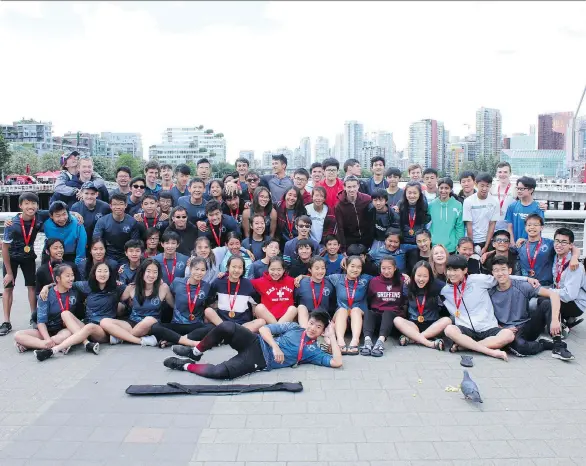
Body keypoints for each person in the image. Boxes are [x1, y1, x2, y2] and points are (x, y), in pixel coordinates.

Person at [164, 309, 343, 378]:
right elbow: (265, 329)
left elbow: (337, 362)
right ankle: (195, 352)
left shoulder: (313, 350)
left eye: (318, 327)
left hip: (260, 360)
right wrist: (275, 346)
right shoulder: (294, 327)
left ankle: (185, 366)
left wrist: (332, 336)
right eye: (311, 323)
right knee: (227, 326)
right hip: (256, 341)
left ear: (322, 331)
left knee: (220, 372)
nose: (312, 328)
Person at [441, 254, 534, 361]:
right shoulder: (445, 290)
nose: (451, 274)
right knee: (449, 330)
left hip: (487, 327)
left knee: (508, 335)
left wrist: (526, 279)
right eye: (449, 270)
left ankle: (466, 346)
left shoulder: (478, 279)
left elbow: (501, 276)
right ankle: (490, 351)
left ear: (465, 270)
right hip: (466, 329)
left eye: (455, 270)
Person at [34, 262, 129, 361]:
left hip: (103, 331)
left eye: (106, 271)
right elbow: (63, 283)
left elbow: (131, 291)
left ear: (110, 274)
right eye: (99, 271)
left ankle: (54, 350)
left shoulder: (116, 287)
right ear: (94, 273)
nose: (102, 274)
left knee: (89, 327)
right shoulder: (87, 286)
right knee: (65, 313)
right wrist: (47, 287)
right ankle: (87, 343)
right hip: (86, 327)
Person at [489, 256, 574, 360]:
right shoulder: (490, 293)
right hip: (508, 332)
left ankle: (558, 346)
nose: (500, 273)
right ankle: (543, 344)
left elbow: (554, 295)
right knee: (520, 348)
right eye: (496, 270)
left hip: (527, 327)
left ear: (510, 270)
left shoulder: (521, 286)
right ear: (492, 273)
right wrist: (500, 328)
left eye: (503, 269)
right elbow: (487, 315)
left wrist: (555, 320)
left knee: (546, 303)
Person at [2, 193, 49, 335]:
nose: (30, 206)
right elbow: (4, 248)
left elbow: (59, 210)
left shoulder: (40, 216)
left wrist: (75, 214)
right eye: (27, 203)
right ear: (20, 206)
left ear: (37, 206)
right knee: (8, 287)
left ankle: (34, 317)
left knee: (32, 287)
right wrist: (9, 272)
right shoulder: (12, 224)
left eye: (33, 203)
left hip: (28, 257)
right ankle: (6, 322)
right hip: (12, 258)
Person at [101, 259, 173, 346]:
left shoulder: (163, 288)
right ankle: (141, 341)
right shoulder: (132, 287)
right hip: (133, 322)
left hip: (151, 324)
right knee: (104, 321)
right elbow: (118, 300)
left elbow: (174, 305)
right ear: (142, 272)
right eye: (148, 271)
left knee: (148, 319)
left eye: (155, 272)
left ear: (158, 274)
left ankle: (121, 336)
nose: (151, 275)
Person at [149, 257, 215, 348]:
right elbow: (168, 297)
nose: (199, 272)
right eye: (196, 269)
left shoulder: (207, 286)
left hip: (195, 325)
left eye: (202, 270)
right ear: (190, 269)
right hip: (177, 324)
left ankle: (175, 340)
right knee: (155, 327)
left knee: (211, 327)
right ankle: (187, 341)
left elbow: (209, 304)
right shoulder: (177, 282)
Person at [14, 264, 76, 353]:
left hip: (62, 329)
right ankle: (50, 345)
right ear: (58, 279)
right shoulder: (45, 294)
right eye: (67, 276)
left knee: (69, 333)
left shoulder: (74, 289)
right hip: (45, 330)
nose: (71, 279)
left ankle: (32, 345)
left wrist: (47, 285)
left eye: (72, 275)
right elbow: (41, 322)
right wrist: (47, 339)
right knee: (18, 335)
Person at [393, 261, 450, 351]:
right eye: (418, 276)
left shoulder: (438, 285)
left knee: (447, 320)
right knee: (397, 320)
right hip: (413, 325)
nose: (421, 279)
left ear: (430, 276)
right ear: (413, 275)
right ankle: (430, 343)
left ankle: (413, 339)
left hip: (432, 325)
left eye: (425, 276)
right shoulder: (408, 285)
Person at [203, 256, 266, 332]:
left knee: (261, 322)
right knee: (208, 311)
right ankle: (230, 332)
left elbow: (256, 302)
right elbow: (209, 301)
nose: (236, 270)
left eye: (240, 267)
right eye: (234, 267)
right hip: (222, 322)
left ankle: (227, 333)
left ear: (243, 270)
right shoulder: (218, 282)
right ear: (228, 267)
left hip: (242, 325)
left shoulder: (247, 284)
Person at [515, 214, 580, 285]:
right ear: (525, 227)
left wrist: (574, 257)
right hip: (526, 285)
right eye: (529, 225)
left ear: (541, 227)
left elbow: (573, 247)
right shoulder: (521, 245)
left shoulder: (549, 243)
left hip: (545, 286)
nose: (532, 227)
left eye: (536, 225)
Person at [329, 255, 374, 355]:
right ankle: (340, 341)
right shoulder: (337, 278)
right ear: (346, 266)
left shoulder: (365, 279)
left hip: (359, 316)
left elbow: (384, 277)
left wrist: (404, 276)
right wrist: (302, 276)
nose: (355, 269)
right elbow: (317, 276)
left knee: (355, 310)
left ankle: (355, 341)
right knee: (342, 310)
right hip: (341, 315)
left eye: (359, 267)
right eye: (352, 266)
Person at [361, 257, 406, 357]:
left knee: (388, 312)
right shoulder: (374, 281)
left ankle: (380, 342)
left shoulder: (402, 280)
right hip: (378, 316)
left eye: (389, 268)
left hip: (393, 317)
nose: (386, 271)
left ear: (395, 268)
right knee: (368, 312)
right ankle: (367, 341)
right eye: (383, 268)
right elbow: (369, 299)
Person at [551, 228, 585, 330]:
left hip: (576, 303)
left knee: (546, 302)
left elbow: (569, 295)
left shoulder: (575, 266)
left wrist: (548, 292)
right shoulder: (556, 257)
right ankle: (566, 319)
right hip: (565, 296)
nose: (559, 244)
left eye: (564, 242)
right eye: (557, 241)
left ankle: (559, 329)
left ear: (571, 245)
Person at [93, 193, 140, 265]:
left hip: (125, 255)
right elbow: (96, 240)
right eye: (115, 204)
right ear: (110, 206)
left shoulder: (132, 222)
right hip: (108, 255)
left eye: (121, 204)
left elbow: (134, 243)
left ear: (126, 205)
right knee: (112, 265)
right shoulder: (102, 221)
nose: (118, 207)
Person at [251, 257, 298, 323]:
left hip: (286, 319)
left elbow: (311, 278)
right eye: (272, 269)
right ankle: (277, 329)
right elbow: (244, 284)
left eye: (279, 270)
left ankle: (276, 329)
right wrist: (253, 304)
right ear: (268, 269)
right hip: (269, 319)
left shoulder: (292, 281)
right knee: (259, 307)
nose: (275, 273)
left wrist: (302, 276)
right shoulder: (260, 282)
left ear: (284, 270)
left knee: (293, 309)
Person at [463, 172, 499, 254]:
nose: (484, 189)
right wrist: (471, 245)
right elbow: (469, 224)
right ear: (476, 184)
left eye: (487, 186)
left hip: (487, 240)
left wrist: (486, 246)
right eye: (482, 185)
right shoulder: (468, 201)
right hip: (472, 240)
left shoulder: (495, 202)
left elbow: (492, 224)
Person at [42, 201, 87, 266]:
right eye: (58, 216)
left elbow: (82, 242)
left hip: (71, 254)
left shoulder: (77, 222)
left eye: (64, 214)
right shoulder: (47, 224)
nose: (62, 218)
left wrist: (79, 261)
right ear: (51, 216)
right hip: (52, 255)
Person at [335, 175, 372, 252]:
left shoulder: (367, 199)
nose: (352, 189)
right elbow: (340, 228)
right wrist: (343, 248)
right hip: (350, 239)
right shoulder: (339, 205)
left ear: (358, 186)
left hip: (366, 237)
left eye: (354, 186)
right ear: (344, 187)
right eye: (349, 187)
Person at [294, 257, 335, 327]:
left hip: (323, 317)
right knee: (301, 307)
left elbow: (332, 303)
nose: (320, 271)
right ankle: (305, 332)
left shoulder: (330, 283)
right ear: (310, 269)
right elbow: (296, 299)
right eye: (317, 268)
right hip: (306, 318)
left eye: (323, 268)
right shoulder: (301, 283)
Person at [428, 177, 464, 254]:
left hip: (451, 247)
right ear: (438, 188)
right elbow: (427, 224)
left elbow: (460, 227)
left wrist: (459, 246)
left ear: (451, 189)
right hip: (435, 246)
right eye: (441, 188)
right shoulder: (431, 205)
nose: (443, 191)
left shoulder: (458, 205)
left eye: (446, 188)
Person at [505, 176, 544, 244]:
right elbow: (509, 227)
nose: (519, 191)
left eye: (522, 189)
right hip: (514, 244)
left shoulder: (538, 208)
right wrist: (512, 242)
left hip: (531, 245)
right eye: (518, 188)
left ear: (531, 190)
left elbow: (539, 228)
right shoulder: (512, 207)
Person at [396, 181, 430, 245]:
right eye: (409, 193)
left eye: (415, 193)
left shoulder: (424, 206)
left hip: (419, 242)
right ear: (405, 193)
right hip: (403, 241)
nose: (412, 196)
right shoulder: (400, 206)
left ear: (419, 194)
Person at [491, 161, 518, 231]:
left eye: (505, 172)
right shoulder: (492, 188)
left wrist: (541, 205)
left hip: (510, 228)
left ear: (510, 174)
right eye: (500, 172)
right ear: (496, 174)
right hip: (494, 227)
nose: (502, 174)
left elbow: (527, 201)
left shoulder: (516, 189)